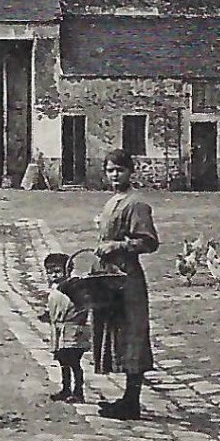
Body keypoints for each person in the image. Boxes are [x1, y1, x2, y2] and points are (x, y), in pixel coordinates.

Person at [91, 148, 160, 420]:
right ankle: (125, 399)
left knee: (133, 334)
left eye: (120, 170)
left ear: (131, 171)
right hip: (108, 277)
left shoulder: (137, 204)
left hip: (127, 278)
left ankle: (133, 401)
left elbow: (149, 241)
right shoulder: (112, 202)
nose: (115, 175)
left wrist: (118, 245)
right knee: (114, 333)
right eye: (110, 170)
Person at [39, 252, 89, 402]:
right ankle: (66, 388)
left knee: (74, 362)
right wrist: (48, 315)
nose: (53, 275)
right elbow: (55, 306)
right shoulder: (54, 289)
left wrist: (79, 320)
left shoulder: (73, 287)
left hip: (73, 330)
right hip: (60, 330)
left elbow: (83, 306)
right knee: (63, 361)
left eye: (57, 271)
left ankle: (78, 391)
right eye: (49, 272)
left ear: (68, 270)